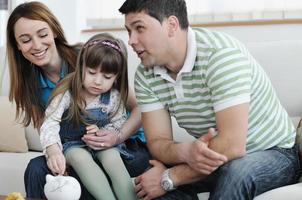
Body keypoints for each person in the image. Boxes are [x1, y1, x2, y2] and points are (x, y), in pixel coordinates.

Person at [119, 0, 301, 199]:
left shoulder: (221, 56)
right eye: (129, 31)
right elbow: (157, 142)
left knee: (235, 173)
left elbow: (232, 145)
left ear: (171, 25)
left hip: (273, 152)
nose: (131, 40)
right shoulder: (145, 74)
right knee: (148, 179)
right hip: (214, 156)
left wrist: (172, 176)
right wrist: (183, 152)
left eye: (139, 28)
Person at [6, 2, 149, 199]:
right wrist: (56, 156)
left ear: (54, 31)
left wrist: (116, 136)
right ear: (18, 46)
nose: (37, 45)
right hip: (75, 149)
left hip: (122, 145)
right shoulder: (29, 85)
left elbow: (139, 107)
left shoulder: (91, 56)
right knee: (37, 169)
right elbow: (46, 128)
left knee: (111, 162)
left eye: (42, 34)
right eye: (25, 40)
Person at [40, 33, 137, 200]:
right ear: (81, 67)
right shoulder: (67, 93)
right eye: (92, 72)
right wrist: (53, 150)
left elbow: (119, 121)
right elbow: (50, 123)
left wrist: (102, 132)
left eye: (107, 77)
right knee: (80, 157)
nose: (98, 81)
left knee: (112, 157)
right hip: (72, 145)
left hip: (100, 144)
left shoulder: (113, 97)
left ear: (116, 78)